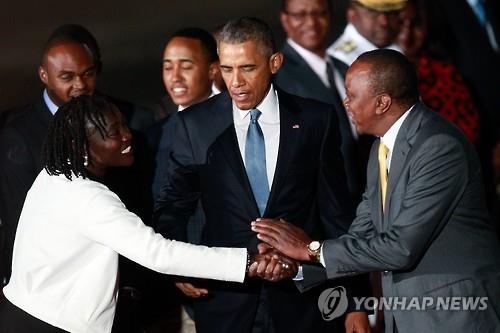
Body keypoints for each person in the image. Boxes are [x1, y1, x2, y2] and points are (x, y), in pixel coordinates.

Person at [0, 94, 296, 333]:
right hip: (52, 324)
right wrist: (249, 261)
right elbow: (158, 253)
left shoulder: (54, 173)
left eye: (123, 124)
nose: (128, 135)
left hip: (20, 313)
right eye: (114, 132)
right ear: (83, 147)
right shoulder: (89, 198)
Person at [252, 49, 500, 333]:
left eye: (352, 95)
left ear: (382, 102)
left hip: (455, 314)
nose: (345, 104)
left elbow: (400, 247)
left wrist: (310, 249)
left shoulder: (438, 147)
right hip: (411, 315)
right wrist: (295, 264)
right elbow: (362, 235)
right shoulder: (380, 148)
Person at [154, 16, 369, 333]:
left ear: (274, 62)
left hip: (304, 305)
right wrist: (177, 265)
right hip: (226, 303)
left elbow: (336, 214)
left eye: (247, 68)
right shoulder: (195, 125)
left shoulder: (315, 120)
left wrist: (355, 300)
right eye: (227, 69)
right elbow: (172, 206)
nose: (235, 82)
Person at [0, 36, 97, 286]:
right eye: (67, 77)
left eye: (88, 74)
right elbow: (17, 220)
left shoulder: (105, 118)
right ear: (44, 75)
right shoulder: (19, 133)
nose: (80, 84)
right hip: (46, 279)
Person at [276, 0, 371, 203]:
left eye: (319, 13)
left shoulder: (343, 67)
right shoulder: (277, 74)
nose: (311, 22)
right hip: (319, 201)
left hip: (364, 193)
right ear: (284, 19)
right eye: (300, 15)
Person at [396, 0, 480, 144]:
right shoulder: (379, 75)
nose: (407, 34)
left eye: (415, 24)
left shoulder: (444, 73)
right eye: (400, 23)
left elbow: (471, 130)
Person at [328, 0, 407, 66]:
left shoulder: (398, 48)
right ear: (351, 14)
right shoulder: (340, 59)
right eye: (373, 12)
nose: (384, 22)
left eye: (391, 12)